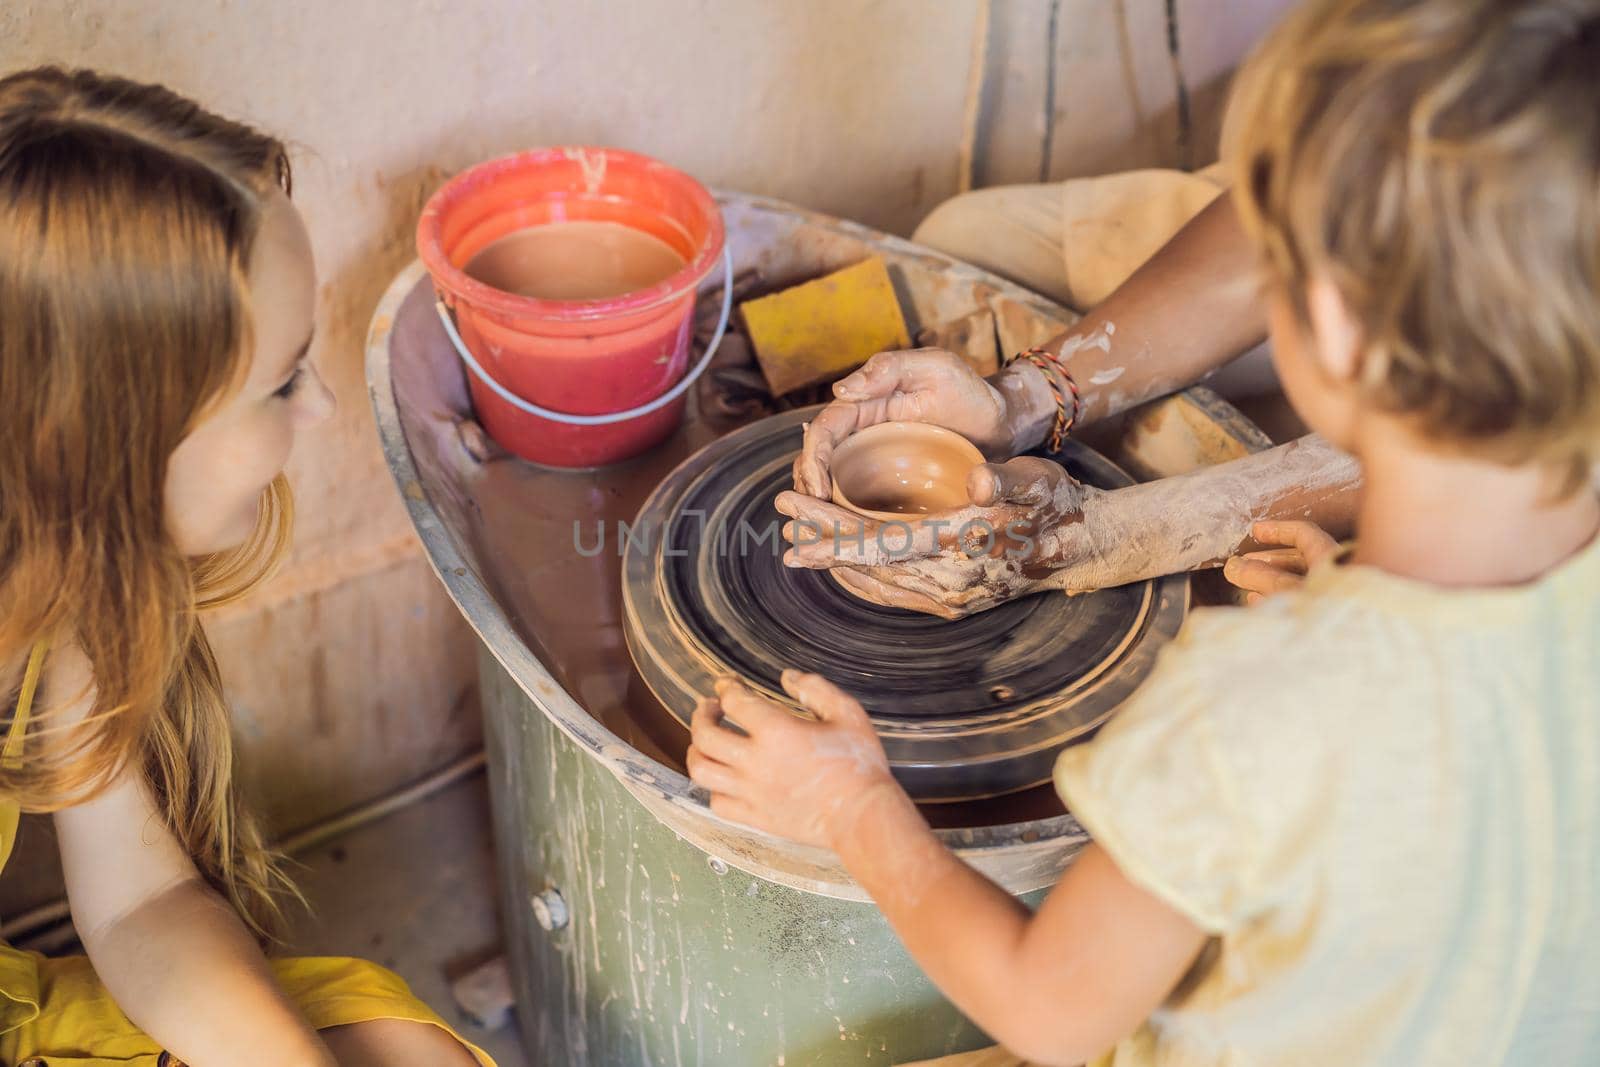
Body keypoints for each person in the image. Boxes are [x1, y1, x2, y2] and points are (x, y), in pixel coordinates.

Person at [690, 2, 1600, 1065]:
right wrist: (1021, 398)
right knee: (975, 242)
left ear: (1333, 324)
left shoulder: (1254, 701)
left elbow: (1050, 1012)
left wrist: (847, 805)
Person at [0, 67, 489, 1067]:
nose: (317, 411)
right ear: (106, 432)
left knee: (397, 1044)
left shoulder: (58, 592)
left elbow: (139, 900)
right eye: (281, 381)